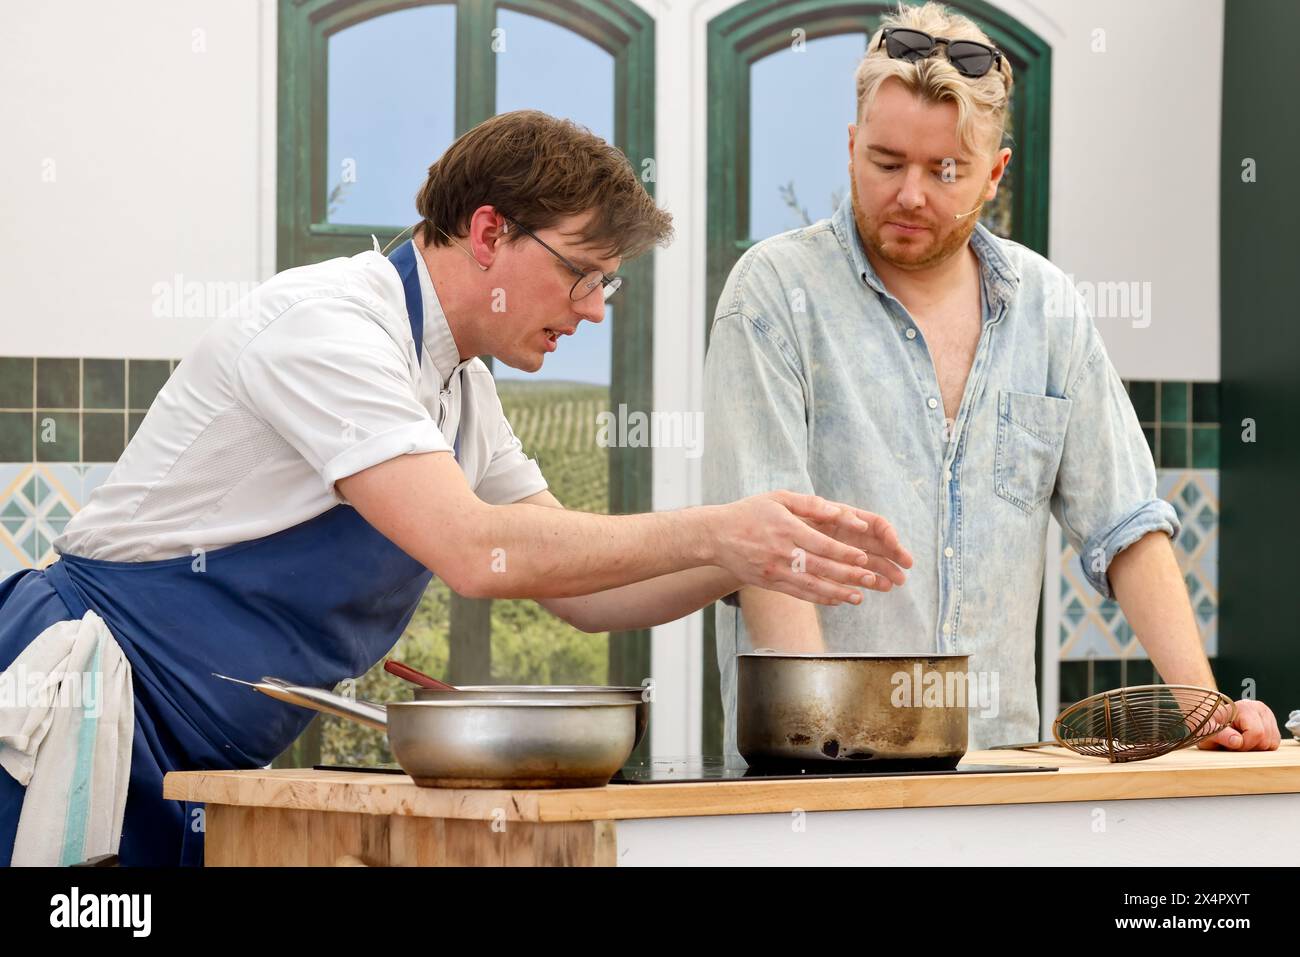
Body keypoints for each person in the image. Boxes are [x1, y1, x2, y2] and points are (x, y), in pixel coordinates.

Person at [0, 109, 912, 866]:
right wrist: (721, 531)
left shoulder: (461, 388)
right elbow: (478, 552)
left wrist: (759, 555)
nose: (594, 308)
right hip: (83, 711)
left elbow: (585, 595)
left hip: (205, 761)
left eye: (611, 285)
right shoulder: (330, 329)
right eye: (582, 272)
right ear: (487, 232)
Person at [702, 2, 1279, 763]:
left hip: (1001, 783)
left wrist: (1205, 712)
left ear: (996, 173)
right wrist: (824, 765)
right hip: (816, 782)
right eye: (885, 162)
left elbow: (1127, 528)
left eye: (944, 170)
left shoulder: (1050, 309)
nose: (910, 193)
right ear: (849, 149)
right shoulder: (773, 293)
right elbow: (769, 563)